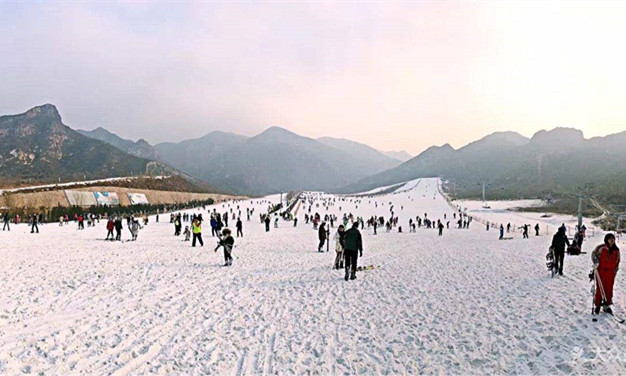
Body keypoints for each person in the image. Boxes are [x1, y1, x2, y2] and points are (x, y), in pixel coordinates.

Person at [592, 233, 620, 314]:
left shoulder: (616, 250)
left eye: (613, 239)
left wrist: (615, 270)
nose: (611, 240)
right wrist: (596, 262)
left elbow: (618, 260)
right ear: (606, 239)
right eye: (610, 239)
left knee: (608, 288)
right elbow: (594, 254)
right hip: (601, 270)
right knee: (600, 288)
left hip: (610, 272)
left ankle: (606, 305)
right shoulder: (601, 247)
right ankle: (597, 305)